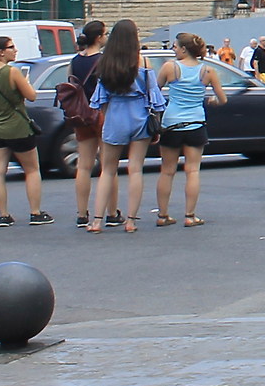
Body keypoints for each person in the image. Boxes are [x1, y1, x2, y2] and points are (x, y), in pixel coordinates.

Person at [89, 19, 164, 235]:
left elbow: (100, 100)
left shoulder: (105, 64)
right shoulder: (144, 63)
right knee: (135, 169)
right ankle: (131, 220)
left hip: (115, 115)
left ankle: (96, 220)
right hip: (139, 115)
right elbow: (154, 97)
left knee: (108, 170)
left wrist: (108, 116)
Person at [154, 32, 226, 227]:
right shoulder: (208, 71)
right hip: (195, 123)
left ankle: (162, 215)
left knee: (167, 171)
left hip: (171, 124)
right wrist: (211, 100)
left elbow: (155, 92)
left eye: (175, 47)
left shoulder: (170, 67)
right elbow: (223, 99)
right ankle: (190, 215)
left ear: (184, 49)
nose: (173, 50)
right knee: (192, 171)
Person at [0, 35, 49, 226]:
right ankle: (35, 212)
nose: (15, 50)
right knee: (32, 169)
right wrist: (25, 82)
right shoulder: (13, 72)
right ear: (1, 52)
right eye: (11, 47)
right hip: (17, 126)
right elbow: (31, 96)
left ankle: (3, 215)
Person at [64, 20, 111, 228]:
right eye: (105, 33)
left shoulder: (74, 60)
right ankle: (111, 212)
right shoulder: (104, 60)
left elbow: (70, 82)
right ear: (99, 37)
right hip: (100, 113)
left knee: (83, 164)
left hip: (80, 114)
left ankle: (82, 213)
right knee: (108, 166)